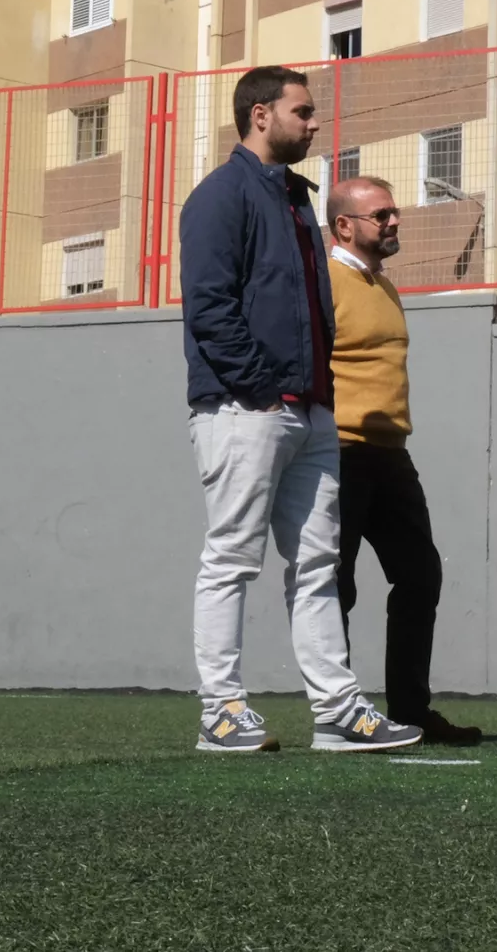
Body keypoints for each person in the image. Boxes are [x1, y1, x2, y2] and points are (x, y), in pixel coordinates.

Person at [179, 66, 421, 754]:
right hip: (245, 409)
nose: (315, 124)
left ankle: (337, 711)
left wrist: (314, 396)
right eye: (303, 112)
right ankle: (220, 711)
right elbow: (210, 308)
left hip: (311, 413)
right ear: (261, 116)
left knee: (317, 565)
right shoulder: (220, 198)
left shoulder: (294, 201)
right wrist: (262, 386)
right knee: (232, 557)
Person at [322, 175, 482, 746]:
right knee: (334, 584)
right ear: (344, 225)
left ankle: (411, 711)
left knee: (420, 574)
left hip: (391, 455)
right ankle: (338, 713)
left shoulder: (382, 287)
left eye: (394, 213)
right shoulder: (324, 283)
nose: (394, 222)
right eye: (380, 215)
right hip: (337, 454)